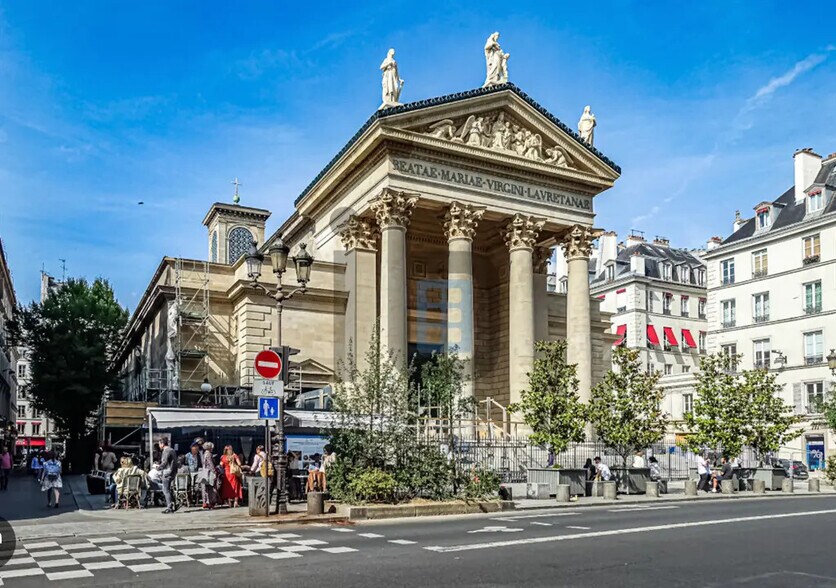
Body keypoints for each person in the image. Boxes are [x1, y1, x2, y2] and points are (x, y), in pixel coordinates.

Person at [158, 437, 177, 513]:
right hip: (172, 471)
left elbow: (164, 462)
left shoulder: (166, 451)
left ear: (162, 444)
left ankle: (169, 507)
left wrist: (158, 467)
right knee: (168, 489)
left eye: (159, 444)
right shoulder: (172, 450)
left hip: (167, 472)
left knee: (165, 490)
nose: (159, 446)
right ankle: (173, 504)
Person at [199, 442, 218, 509]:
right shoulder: (209, 454)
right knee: (211, 487)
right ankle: (210, 502)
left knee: (205, 488)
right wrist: (214, 471)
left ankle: (205, 502)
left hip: (204, 471)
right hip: (209, 472)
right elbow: (210, 464)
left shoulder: (204, 454)